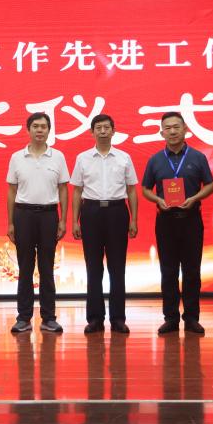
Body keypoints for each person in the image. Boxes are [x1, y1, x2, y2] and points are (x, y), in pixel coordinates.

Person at [140, 112, 213, 335]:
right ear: (161, 132)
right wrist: (158, 200)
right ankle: (171, 318)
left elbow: (210, 185)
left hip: (191, 220)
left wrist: (195, 198)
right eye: (168, 128)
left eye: (176, 127)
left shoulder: (197, 157)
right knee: (168, 271)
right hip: (166, 221)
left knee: (192, 271)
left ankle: (192, 318)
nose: (172, 131)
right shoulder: (155, 160)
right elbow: (145, 189)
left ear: (185, 130)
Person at [70, 114, 139, 334]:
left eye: (106, 127)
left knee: (117, 267)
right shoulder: (83, 158)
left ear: (113, 131)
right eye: (98, 128)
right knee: (93, 267)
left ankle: (118, 318)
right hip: (90, 212)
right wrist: (74, 221)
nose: (102, 131)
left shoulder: (124, 157)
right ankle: (95, 318)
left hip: (117, 212)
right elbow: (77, 191)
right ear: (92, 132)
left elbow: (131, 190)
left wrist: (134, 219)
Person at [6, 112, 70, 334]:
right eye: (35, 126)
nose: (40, 130)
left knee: (46, 268)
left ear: (49, 130)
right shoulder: (17, 157)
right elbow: (11, 191)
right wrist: (10, 222)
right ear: (28, 130)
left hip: (48, 216)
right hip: (23, 215)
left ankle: (49, 318)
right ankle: (23, 318)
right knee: (25, 268)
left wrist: (63, 219)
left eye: (44, 126)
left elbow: (63, 189)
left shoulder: (58, 156)